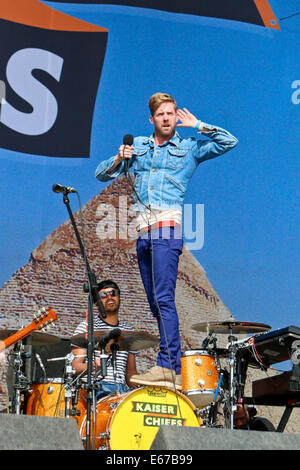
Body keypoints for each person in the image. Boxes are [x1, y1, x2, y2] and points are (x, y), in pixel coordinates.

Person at [95, 92, 238, 390]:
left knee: (163, 300)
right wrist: (119, 158)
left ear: (176, 117)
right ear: (152, 119)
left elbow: (229, 142)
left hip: (166, 229)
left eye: (171, 113)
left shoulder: (189, 148)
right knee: (155, 303)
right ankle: (167, 365)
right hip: (144, 233)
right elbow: (100, 175)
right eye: (161, 114)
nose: (166, 118)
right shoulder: (139, 147)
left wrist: (198, 125)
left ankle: (169, 366)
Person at [72, 280, 137, 398]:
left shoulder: (129, 331)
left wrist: (147, 385)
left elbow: (130, 374)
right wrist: (93, 366)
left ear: (119, 297)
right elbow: (74, 366)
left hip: (120, 392)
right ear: (96, 303)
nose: (109, 297)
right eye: (103, 295)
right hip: (94, 389)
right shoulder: (87, 327)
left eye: (113, 293)